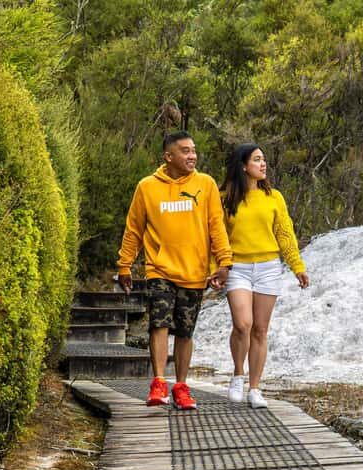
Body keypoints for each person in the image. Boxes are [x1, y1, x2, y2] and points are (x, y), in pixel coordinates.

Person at [116, 131, 233, 410]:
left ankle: (181, 386)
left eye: (194, 150)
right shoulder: (147, 187)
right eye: (185, 151)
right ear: (169, 156)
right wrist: (125, 265)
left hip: (194, 272)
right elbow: (134, 229)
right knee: (159, 323)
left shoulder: (205, 184)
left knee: (185, 331)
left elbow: (216, 225)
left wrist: (224, 263)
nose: (192, 156)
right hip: (159, 269)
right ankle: (158, 383)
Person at [221, 143, 310, 409]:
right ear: (243, 166)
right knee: (243, 324)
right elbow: (216, 235)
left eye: (264, 160)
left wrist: (297, 266)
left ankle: (255, 388)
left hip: (269, 267)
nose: (263, 164)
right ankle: (238, 375)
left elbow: (285, 233)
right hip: (237, 267)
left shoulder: (274, 197)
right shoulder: (223, 197)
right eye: (257, 160)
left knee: (260, 330)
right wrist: (217, 266)